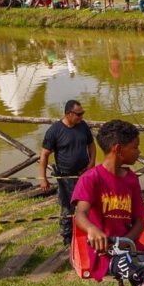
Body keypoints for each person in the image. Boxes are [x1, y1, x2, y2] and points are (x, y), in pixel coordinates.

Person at [71, 120, 144, 284]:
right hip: (105, 253)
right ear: (118, 149)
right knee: (138, 271)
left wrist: (126, 242)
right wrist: (92, 229)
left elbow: (139, 222)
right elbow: (80, 214)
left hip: (130, 247)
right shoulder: (91, 178)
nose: (138, 152)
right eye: (135, 147)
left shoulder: (131, 179)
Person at [39, 100, 95, 245]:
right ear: (69, 114)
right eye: (78, 114)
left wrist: (91, 163)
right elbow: (44, 155)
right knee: (67, 208)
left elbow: (91, 144)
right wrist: (43, 178)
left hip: (84, 174)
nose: (81, 116)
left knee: (88, 204)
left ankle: (88, 233)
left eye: (83, 113)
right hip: (65, 176)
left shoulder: (83, 126)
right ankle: (68, 238)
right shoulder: (55, 131)